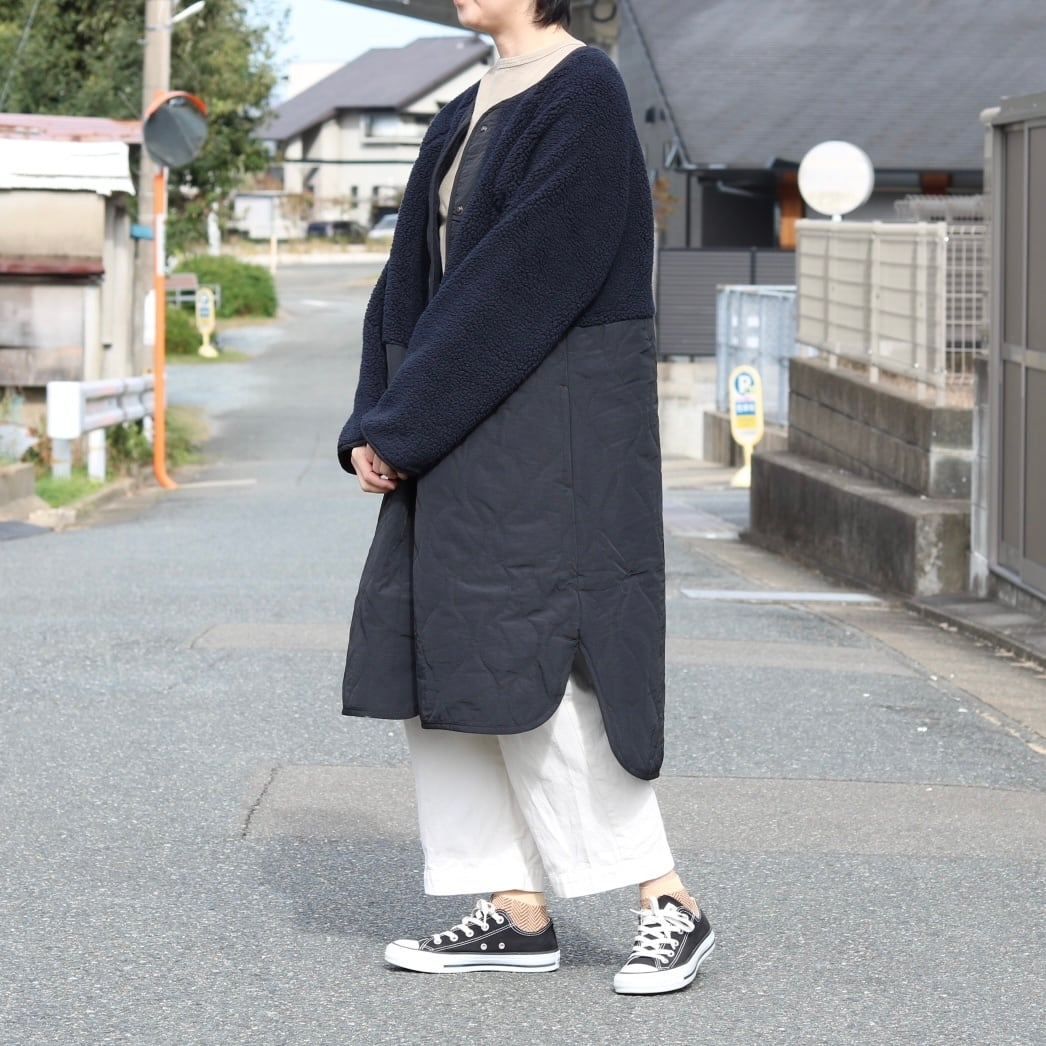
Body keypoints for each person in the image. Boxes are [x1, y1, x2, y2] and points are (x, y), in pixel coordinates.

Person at [337, 0, 714, 995]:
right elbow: (405, 282)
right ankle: (512, 906)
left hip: (547, 428)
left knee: (534, 658)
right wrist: (374, 417)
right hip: (457, 419)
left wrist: (406, 418)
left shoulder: (583, 92)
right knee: (442, 661)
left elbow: (519, 281)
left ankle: (665, 899)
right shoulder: (463, 107)